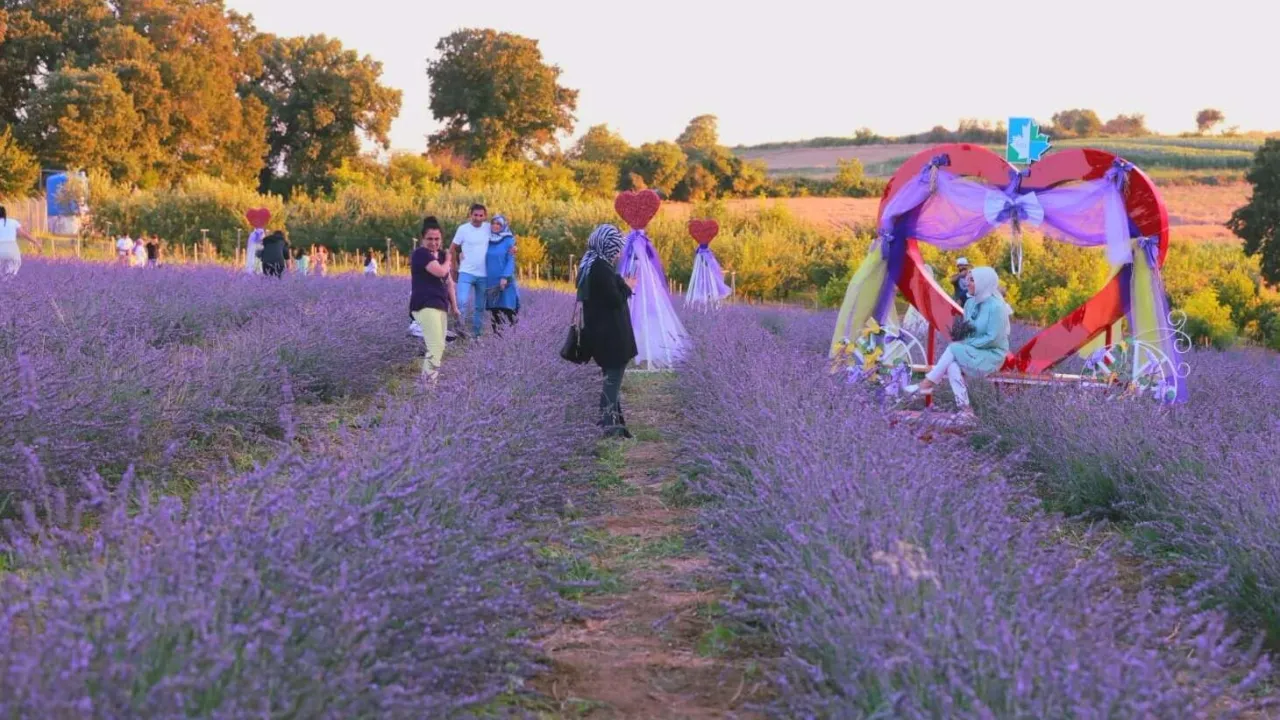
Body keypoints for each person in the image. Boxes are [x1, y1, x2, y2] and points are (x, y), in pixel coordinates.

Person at [905, 266, 1012, 416]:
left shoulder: (997, 307)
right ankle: (965, 410)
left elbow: (993, 338)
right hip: (973, 351)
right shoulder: (970, 304)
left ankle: (927, 384)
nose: (967, 283)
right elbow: (969, 330)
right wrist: (963, 339)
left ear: (983, 282)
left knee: (954, 348)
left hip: (991, 354)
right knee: (952, 366)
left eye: (972, 280)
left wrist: (966, 344)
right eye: (968, 279)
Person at [579, 224, 639, 439]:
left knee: (610, 382)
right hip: (611, 337)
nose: (619, 253)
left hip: (601, 335)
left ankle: (616, 426)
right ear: (608, 246)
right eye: (617, 247)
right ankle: (609, 429)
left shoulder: (589, 264)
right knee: (611, 384)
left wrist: (621, 283)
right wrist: (628, 286)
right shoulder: (600, 269)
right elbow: (614, 300)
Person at [410, 216, 459, 381]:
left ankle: (429, 383)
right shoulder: (420, 254)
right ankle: (427, 386)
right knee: (435, 346)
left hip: (440, 305)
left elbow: (449, 283)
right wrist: (449, 260)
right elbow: (441, 272)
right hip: (425, 304)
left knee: (439, 347)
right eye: (429, 239)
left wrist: (455, 307)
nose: (433, 242)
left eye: (437, 239)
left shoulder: (441, 256)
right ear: (422, 239)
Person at [450, 203, 491, 337]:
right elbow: (452, 248)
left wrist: (512, 247)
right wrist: (454, 267)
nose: (478, 218)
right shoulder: (463, 229)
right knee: (461, 302)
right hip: (466, 272)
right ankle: (459, 332)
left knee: (480, 307)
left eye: (481, 215)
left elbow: (504, 236)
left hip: (484, 274)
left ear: (485, 216)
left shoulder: (489, 228)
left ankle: (476, 335)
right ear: (470, 215)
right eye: (475, 215)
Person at [485, 214, 519, 333]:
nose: (495, 226)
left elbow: (510, 260)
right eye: (493, 223)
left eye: (499, 224)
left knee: (508, 310)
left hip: (505, 281)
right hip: (490, 281)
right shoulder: (486, 239)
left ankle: (513, 339)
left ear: (504, 226)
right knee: (495, 314)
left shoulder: (509, 240)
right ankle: (497, 341)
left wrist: (504, 277)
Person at [0, 205, 42, 276]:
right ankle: (10, 278)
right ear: (5, 213)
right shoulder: (13, 222)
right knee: (13, 268)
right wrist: (36, 242)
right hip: (12, 248)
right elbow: (24, 234)